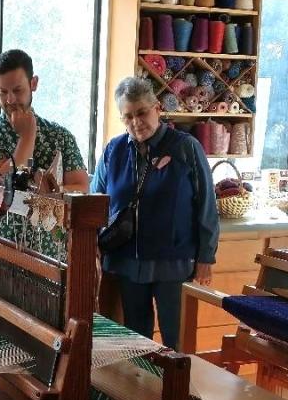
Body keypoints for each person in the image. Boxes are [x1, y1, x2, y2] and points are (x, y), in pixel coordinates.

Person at [91, 76, 219, 350]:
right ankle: (143, 390)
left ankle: (177, 391)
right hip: (126, 262)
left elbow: (207, 205)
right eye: (128, 117)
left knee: (176, 340)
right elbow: (95, 202)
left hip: (174, 262)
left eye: (141, 112)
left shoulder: (186, 147)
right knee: (136, 340)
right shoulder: (113, 151)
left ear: (157, 108)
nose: (136, 122)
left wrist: (206, 257)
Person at [0, 49, 89, 253]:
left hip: (53, 254)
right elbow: (8, 182)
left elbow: (81, 187)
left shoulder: (60, 136)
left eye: (17, 90)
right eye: (2, 92)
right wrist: (27, 136)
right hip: (1, 252)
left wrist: (51, 193)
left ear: (33, 84)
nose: (10, 100)